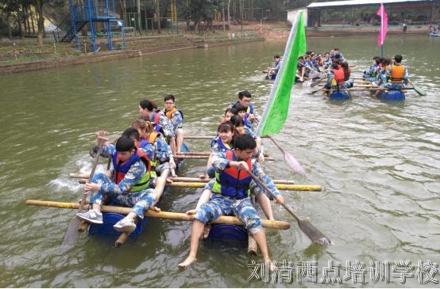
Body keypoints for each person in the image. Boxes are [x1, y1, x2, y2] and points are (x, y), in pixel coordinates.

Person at [178, 135, 282, 270]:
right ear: (237, 150)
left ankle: (267, 259)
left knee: (254, 220)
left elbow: (265, 180)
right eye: (248, 153)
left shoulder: (252, 163)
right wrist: (235, 164)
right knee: (201, 214)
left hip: (241, 200)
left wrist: (277, 195)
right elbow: (215, 163)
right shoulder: (222, 155)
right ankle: (192, 255)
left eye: (252, 152)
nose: (250, 155)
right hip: (221, 198)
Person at [76, 133, 157, 233]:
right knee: (98, 176)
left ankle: (129, 219)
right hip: (116, 195)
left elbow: (121, 189)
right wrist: (99, 144)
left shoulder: (138, 166)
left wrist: (98, 187)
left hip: (132, 198)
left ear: (132, 151)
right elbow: (94, 153)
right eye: (119, 153)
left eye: (123, 154)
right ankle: (95, 212)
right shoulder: (116, 151)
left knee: (152, 193)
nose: (120, 156)